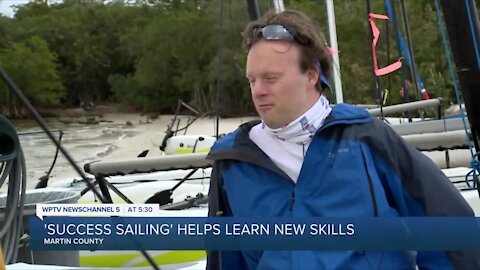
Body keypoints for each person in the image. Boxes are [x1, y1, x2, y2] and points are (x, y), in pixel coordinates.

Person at [206, 9, 479, 270]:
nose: (259, 91)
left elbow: (448, 226)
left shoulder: (366, 139)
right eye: (252, 80)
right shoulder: (232, 163)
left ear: (311, 75)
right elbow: (225, 258)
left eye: (271, 79)